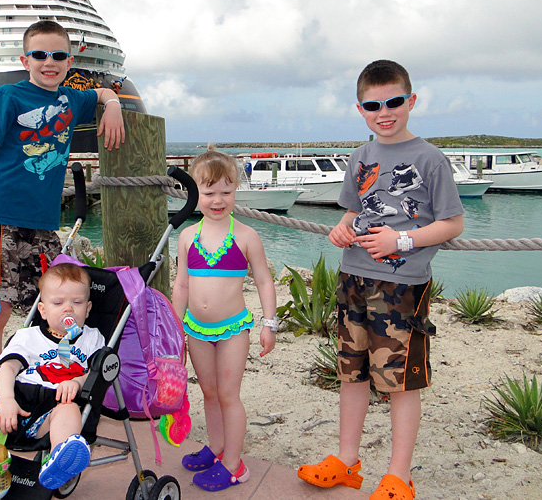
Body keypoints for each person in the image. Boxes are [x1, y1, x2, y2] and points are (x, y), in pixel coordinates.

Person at [298, 60, 464, 500]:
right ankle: (347, 461)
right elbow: (354, 211)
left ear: (410, 101)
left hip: (403, 287)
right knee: (351, 374)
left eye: (393, 102)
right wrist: (342, 229)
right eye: (373, 105)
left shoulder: (430, 159)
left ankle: (399, 475)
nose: (384, 112)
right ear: (360, 109)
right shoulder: (361, 157)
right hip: (353, 275)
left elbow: (452, 223)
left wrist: (402, 240)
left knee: (399, 382)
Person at [0, 20, 125, 395]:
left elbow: (100, 92)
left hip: (43, 225)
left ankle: (41, 386)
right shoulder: (6, 97)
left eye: (58, 55)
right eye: (39, 55)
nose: (48, 62)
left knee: (50, 306)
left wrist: (112, 104)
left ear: (70, 60)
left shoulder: (70, 99)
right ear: (25, 59)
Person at [171, 147, 278, 492]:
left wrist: (269, 323)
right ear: (195, 193)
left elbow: (264, 280)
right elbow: (182, 283)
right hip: (197, 329)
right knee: (209, 391)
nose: (218, 200)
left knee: (229, 395)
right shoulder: (188, 236)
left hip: (233, 329)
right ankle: (216, 447)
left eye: (226, 192)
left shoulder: (246, 236)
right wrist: (175, 328)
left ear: (236, 192)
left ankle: (234, 464)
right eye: (209, 192)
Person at [0, 262, 105, 499]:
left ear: (88, 308)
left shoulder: (92, 339)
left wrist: (77, 380)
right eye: (58, 303)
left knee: (69, 412)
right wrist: (5, 400)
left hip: (54, 406)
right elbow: (7, 369)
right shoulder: (28, 336)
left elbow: (96, 372)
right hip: (16, 399)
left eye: (77, 303)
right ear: (42, 311)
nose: (68, 309)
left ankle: (59, 460)